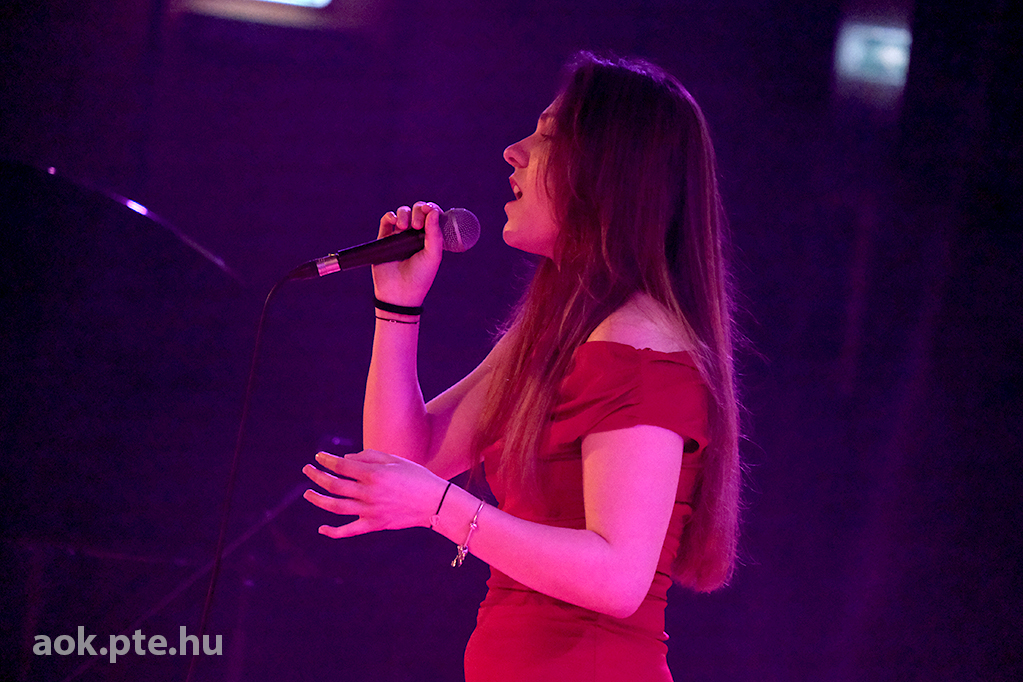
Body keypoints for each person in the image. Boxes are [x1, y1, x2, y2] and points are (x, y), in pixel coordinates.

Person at [302, 52, 741, 682]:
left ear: (606, 172)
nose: (514, 152)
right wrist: (397, 308)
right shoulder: (554, 334)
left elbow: (618, 577)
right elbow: (404, 461)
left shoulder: (640, 348)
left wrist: (442, 508)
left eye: (547, 137)